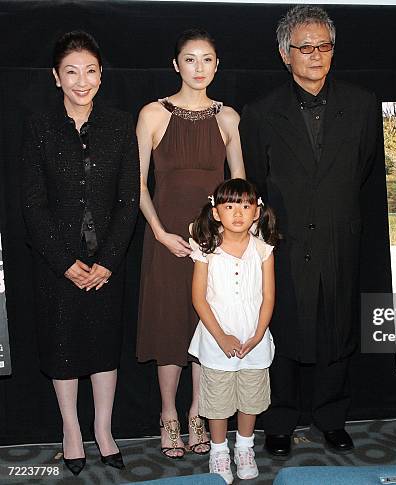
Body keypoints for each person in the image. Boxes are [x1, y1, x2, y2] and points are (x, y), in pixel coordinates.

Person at [239, 5, 381, 456]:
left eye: (324, 45)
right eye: (305, 46)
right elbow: (257, 181)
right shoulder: (261, 112)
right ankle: (278, 421)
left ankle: (331, 417)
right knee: (282, 330)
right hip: (285, 241)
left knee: (336, 332)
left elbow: (363, 170)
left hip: (341, 236)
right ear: (286, 54)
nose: (316, 55)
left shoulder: (362, 105)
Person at [20, 31, 139, 475]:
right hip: (57, 265)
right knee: (63, 348)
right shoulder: (39, 126)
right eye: (71, 71)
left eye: (90, 71)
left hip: (108, 263)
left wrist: (107, 260)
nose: (81, 80)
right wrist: (64, 263)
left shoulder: (119, 124)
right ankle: (71, 430)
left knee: (105, 348)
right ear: (56, 77)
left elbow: (129, 200)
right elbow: (32, 203)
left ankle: (103, 430)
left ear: (101, 75)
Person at [136, 28, 245, 459]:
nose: (199, 68)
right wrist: (161, 233)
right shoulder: (153, 114)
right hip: (165, 239)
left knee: (203, 327)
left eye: (207, 59)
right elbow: (137, 182)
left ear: (217, 65)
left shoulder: (229, 118)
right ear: (175, 64)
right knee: (169, 327)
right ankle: (169, 415)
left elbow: (240, 188)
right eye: (190, 59)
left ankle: (199, 414)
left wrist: (234, 236)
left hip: (213, 242)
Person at [188, 179, 278, 483]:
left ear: (256, 212)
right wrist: (221, 336)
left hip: (255, 340)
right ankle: (219, 451)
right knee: (218, 401)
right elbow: (199, 298)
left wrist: (258, 334)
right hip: (217, 341)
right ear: (216, 213)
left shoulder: (263, 249)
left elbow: (269, 297)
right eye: (229, 206)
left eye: (245, 205)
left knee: (251, 398)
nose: (238, 212)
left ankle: (244, 448)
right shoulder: (206, 250)